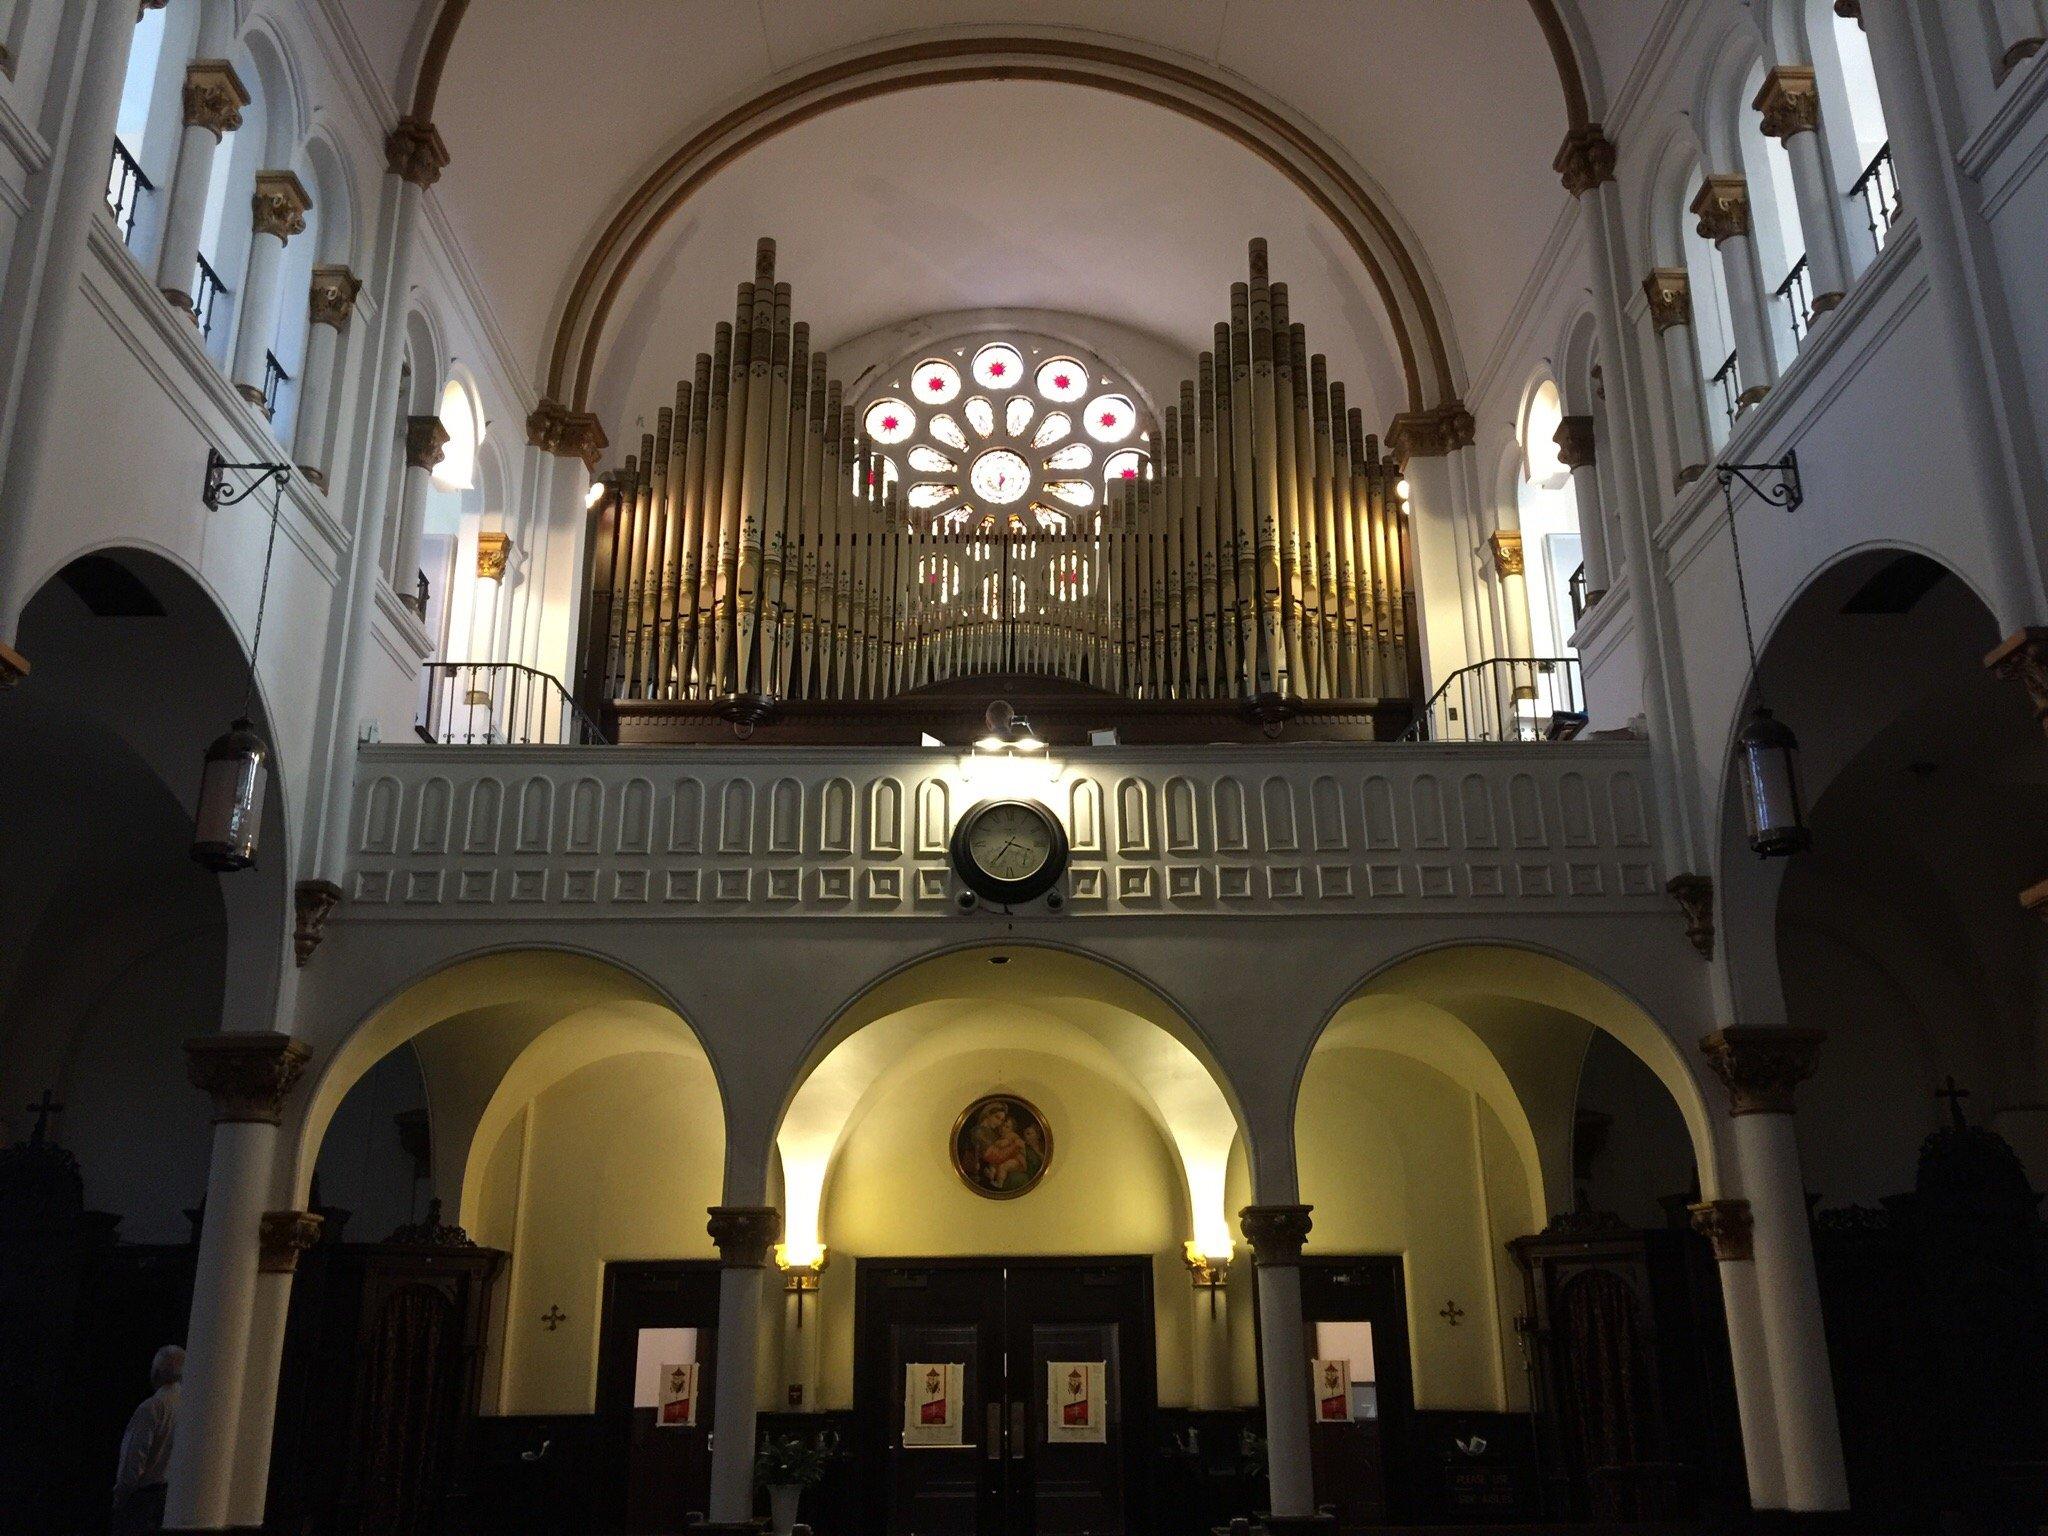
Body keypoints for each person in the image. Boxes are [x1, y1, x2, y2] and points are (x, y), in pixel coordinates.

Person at [111, 1345, 182, 1535]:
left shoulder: (152, 1408)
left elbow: (134, 1458)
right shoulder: (188, 1405)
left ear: (157, 1372)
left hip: (143, 1504)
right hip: (170, 1501)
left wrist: (121, 1495)